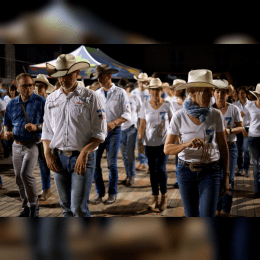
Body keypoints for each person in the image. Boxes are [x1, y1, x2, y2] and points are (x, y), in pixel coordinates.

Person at [42, 54, 107, 217]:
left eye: (67, 75)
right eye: (60, 76)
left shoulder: (91, 97)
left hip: (82, 157)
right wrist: (47, 153)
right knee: (65, 208)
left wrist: (85, 152)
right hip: (58, 158)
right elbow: (48, 130)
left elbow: (100, 132)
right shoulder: (51, 99)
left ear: (77, 73)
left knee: (78, 208)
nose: (63, 79)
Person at [164, 69, 229, 217]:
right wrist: (186, 144)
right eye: (206, 90)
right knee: (191, 215)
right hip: (186, 171)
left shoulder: (216, 115)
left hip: (211, 172)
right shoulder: (179, 116)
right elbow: (167, 149)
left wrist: (226, 176)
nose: (211, 94)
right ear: (192, 91)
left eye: (211, 90)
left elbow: (224, 146)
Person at [3, 72, 46, 217]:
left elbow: (50, 124)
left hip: (32, 144)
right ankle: (25, 206)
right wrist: (7, 133)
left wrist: (36, 127)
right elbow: (6, 124)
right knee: (17, 177)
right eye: (25, 86)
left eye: (30, 85)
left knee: (25, 174)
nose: (28, 88)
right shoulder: (12, 103)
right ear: (18, 86)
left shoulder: (41, 102)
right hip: (16, 145)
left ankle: (34, 206)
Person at [92, 64, 131, 205]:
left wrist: (114, 123)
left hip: (114, 131)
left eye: (101, 76)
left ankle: (112, 192)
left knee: (111, 164)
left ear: (109, 76)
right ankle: (99, 192)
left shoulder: (121, 93)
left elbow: (127, 114)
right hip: (99, 132)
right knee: (95, 164)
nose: (99, 79)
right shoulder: (96, 94)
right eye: (98, 77)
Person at [138, 78, 173, 212]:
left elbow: (173, 123)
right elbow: (142, 125)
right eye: (153, 89)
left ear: (161, 90)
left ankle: (164, 196)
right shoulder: (145, 105)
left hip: (164, 143)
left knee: (161, 169)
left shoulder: (167, 105)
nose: (155, 92)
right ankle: (154, 198)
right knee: (152, 170)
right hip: (149, 143)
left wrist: (174, 140)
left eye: (158, 89)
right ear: (150, 91)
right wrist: (140, 141)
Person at [212, 79, 244, 216]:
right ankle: (217, 208)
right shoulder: (210, 109)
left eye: (223, 92)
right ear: (213, 93)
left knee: (228, 178)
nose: (220, 95)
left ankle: (226, 210)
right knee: (216, 178)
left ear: (227, 93)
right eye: (217, 92)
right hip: (215, 148)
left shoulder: (234, 109)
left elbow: (241, 127)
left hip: (230, 147)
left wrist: (230, 131)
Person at [34, 74, 55, 201]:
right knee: (41, 166)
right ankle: (45, 189)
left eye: (40, 86)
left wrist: (36, 127)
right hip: (35, 138)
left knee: (46, 165)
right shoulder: (33, 101)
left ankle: (47, 190)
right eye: (35, 86)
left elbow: (50, 123)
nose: (37, 89)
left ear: (46, 87)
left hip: (47, 138)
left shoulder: (49, 102)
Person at [118, 78, 141, 186]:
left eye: (125, 87)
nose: (124, 89)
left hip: (132, 128)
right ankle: (128, 174)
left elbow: (140, 112)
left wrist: (140, 127)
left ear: (128, 87)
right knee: (124, 155)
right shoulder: (118, 99)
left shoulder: (134, 97)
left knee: (130, 153)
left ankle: (131, 175)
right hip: (120, 128)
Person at [132, 73, 151, 172]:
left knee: (148, 141)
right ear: (138, 82)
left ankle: (148, 163)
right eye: (141, 81)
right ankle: (142, 161)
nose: (142, 83)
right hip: (138, 119)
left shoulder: (150, 92)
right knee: (139, 140)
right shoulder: (133, 93)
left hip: (148, 119)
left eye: (145, 82)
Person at [170, 79, 187, 188]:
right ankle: (178, 178)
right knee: (178, 157)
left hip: (187, 133)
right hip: (176, 133)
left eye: (174, 88)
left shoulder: (188, 102)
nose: (172, 90)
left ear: (180, 89)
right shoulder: (171, 102)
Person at [245, 84, 260, 198]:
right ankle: (257, 189)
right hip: (253, 138)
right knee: (256, 164)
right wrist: (242, 128)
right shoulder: (249, 106)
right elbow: (241, 117)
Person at [233, 86, 251, 176]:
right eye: (239, 93)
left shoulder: (251, 104)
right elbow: (237, 117)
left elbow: (241, 116)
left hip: (248, 128)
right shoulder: (235, 104)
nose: (241, 95)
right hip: (238, 128)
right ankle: (240, 168)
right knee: (238, 150)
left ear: (246, 94)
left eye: (242, 93)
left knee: (246, 149)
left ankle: (247, 168)